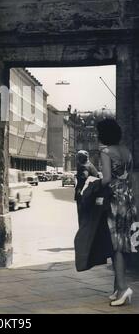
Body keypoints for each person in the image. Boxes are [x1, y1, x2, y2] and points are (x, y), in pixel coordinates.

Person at [97, 118, 137, 306]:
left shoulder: (105, 151)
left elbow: (106, 179)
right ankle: (116, 288)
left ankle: (122, 288)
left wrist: (96, 181)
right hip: (128, 199)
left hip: (114, 200)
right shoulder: (127, 151)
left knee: (116, 245)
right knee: (124, 242)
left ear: (103, 134)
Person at [75, 150, 99, 224]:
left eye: (78, 158)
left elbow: (84, 178)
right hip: (92, 195)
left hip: (83, 195)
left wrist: (79, 192)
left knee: (82, 218)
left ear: (81, 158)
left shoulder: (84, 167)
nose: (77, 160)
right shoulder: (91, 166)